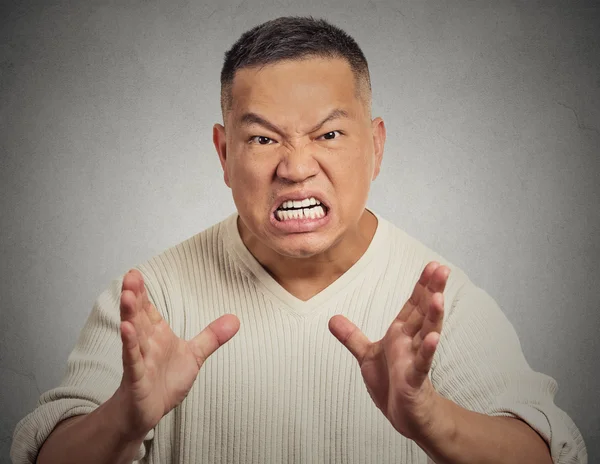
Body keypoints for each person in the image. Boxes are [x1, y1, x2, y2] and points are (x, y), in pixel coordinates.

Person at [11, 16, 587, 464]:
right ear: (223, 153)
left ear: (377, 146)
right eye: (263, 140)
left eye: (329, 133)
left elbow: (544, 450)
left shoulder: (434, 300)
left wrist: (431, 417)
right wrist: (124, 420)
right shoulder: (150, 297)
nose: (296, 167)